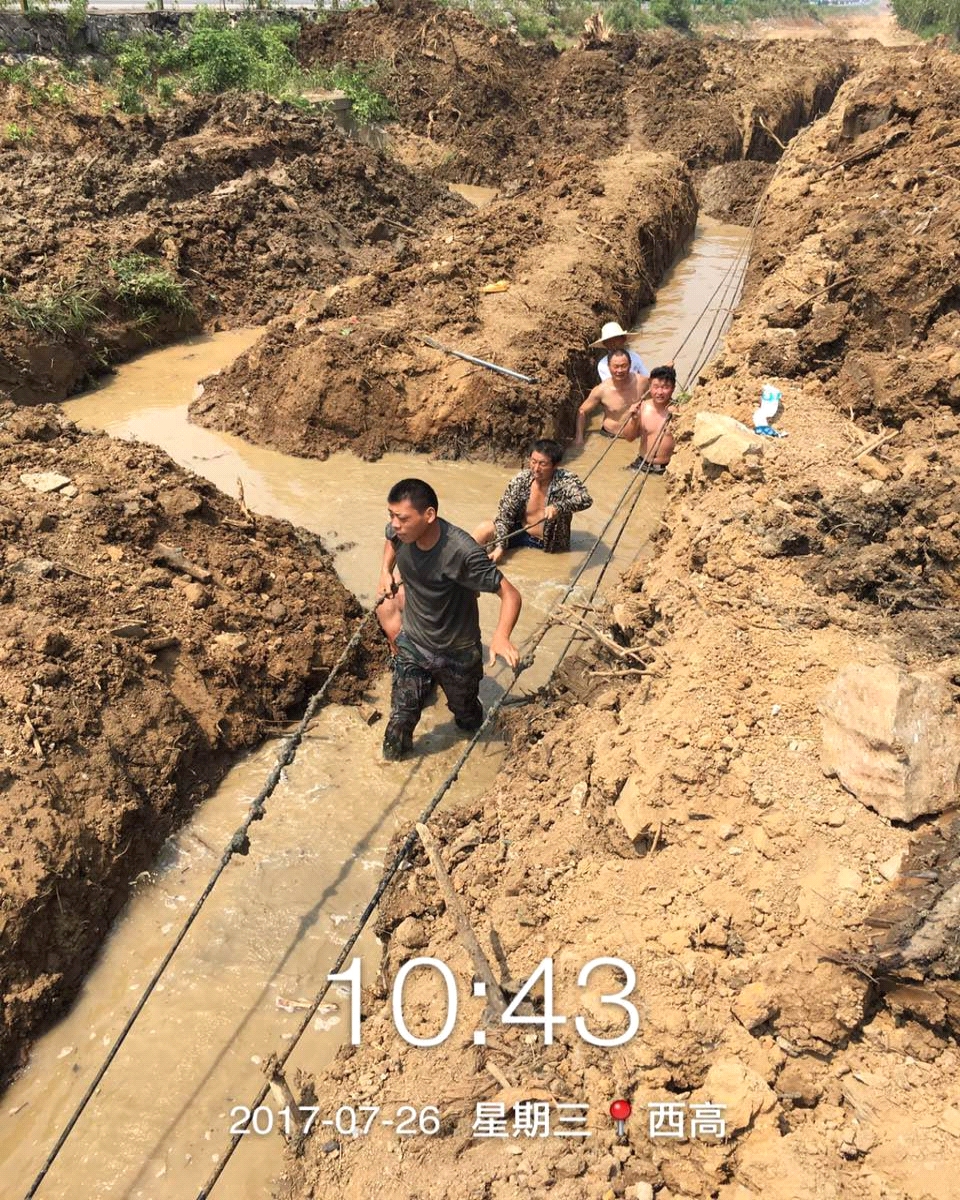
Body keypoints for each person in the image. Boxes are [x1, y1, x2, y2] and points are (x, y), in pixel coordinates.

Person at [376, 479, 522, 761]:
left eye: (402, 518)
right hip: (414, 644)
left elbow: (510, 594)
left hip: (457, 652)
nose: (395, 524)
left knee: (467, 718)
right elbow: (390, 539)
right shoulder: (401, 531)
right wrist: (385, 570)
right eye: (391, 515)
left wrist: (501, 636)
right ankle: (391, 764)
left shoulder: (462, 552)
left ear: (429, 515)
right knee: (400, 720)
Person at [472, 439, 593, 563]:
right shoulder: (521, 480)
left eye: (542, 464)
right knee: (484, 528)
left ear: (555, 465)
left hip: (549, 544)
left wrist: (558, 507)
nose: (536, 468)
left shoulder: (565, 480)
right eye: (533, 462)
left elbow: (585, 499)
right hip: (520, 532)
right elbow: (505, 517)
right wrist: (500, 546)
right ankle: (465, 561)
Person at [574, 348, 649, 445]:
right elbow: (582, 411)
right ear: (609, 367)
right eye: (616, 366)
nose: (619, 370)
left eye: (624, 366)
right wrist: (579, 438)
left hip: (638, 435)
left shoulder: (642, 382)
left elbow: (657, 402)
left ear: (630, 365)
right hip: (611, 436)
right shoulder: (601, 390)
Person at [628, 365, 677, 474]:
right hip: (641, 464)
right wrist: (634, 419)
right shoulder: (641, 407)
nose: (659, 392)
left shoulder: (679, 411)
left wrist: (678, 417)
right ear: (650, 386)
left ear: (673, 388)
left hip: (667, 468)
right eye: (656, 387)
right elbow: (629, 438)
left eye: (665, 387)